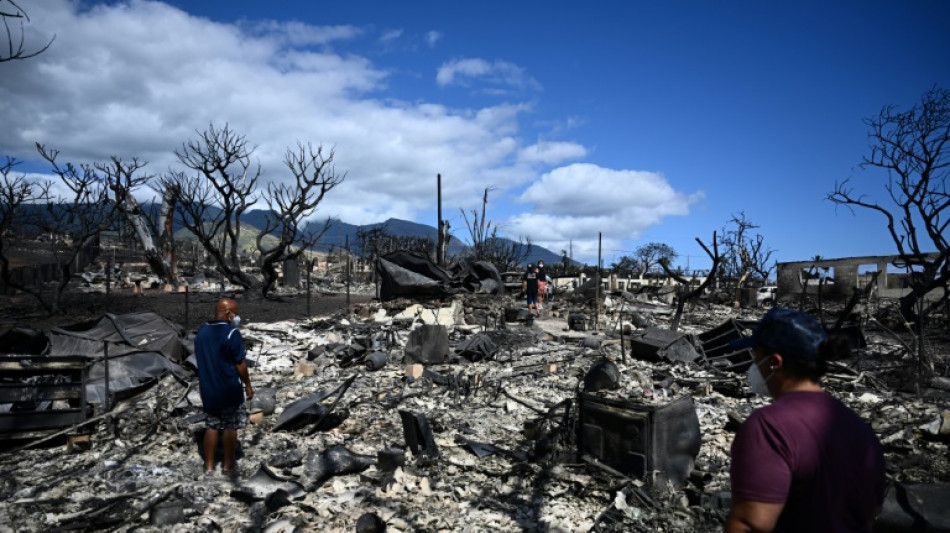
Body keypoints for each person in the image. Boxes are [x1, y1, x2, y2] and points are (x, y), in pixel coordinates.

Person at [726, 308, 885, 533]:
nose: (753, 365)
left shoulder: (768, 427)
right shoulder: (860, 429)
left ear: (774, 362)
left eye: (756, 356)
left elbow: (749, 524)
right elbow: (870, 515)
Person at [195, 298, 254, 474]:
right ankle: (229, 464)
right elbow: (240, 364)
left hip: (208, 388)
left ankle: (208, 466)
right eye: (235, 313)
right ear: (228, 314)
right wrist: (248, 385)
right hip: (229, 388)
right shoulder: (231, 333)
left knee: (211, 425)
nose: (237, 317)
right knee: (230, 425)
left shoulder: (202, 331)